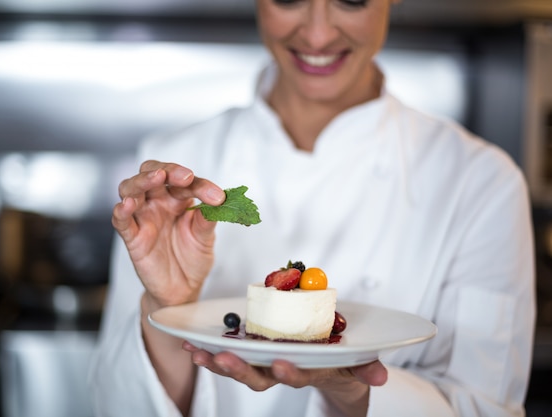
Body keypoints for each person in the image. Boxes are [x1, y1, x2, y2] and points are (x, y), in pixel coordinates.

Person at [89, 0, 536, 416]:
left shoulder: (481, 183)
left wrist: (353, 393)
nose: (318, 35)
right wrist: (167, 305)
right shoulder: (174, 169)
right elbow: (116, 405)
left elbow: (486, 407)